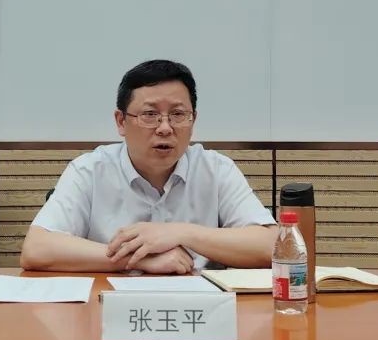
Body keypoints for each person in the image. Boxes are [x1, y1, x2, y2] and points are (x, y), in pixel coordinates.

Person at [20, 59, 276, 274]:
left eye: (178, 115)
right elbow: (37, 249)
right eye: (150, 115)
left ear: (193, 120)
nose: (165, 128)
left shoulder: (216, 170)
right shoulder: (90, 170)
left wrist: (180, 233)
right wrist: (138, 259)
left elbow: (273, 246)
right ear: (121, 121)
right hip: (109, 309)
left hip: (200, 311)